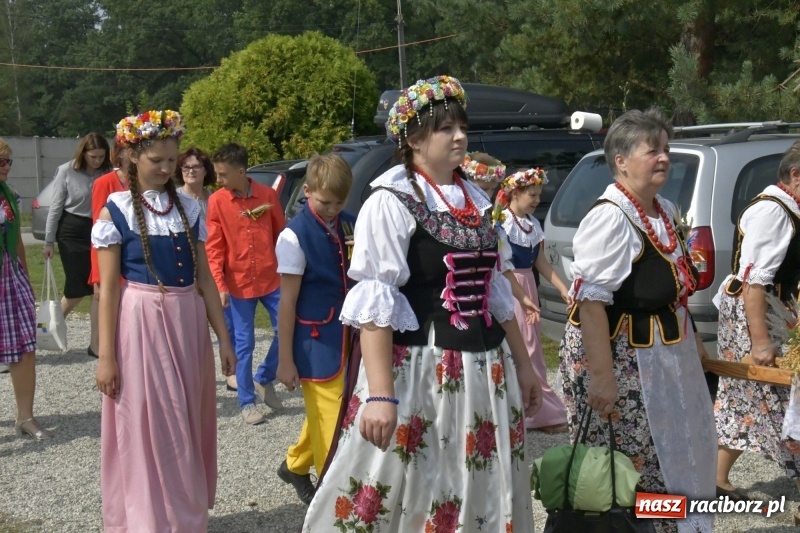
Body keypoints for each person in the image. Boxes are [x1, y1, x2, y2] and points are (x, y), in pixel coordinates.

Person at [303, 75, 541, 533]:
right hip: (424, 370)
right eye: (444, 129)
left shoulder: (474, 198)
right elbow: (376, 303)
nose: (459, 136)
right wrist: (378, 393)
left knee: (481, 485)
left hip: (486, 369)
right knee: (418, 483)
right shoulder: (391, 200)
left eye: (461, 127)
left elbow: (495, 292)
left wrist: (526, 367)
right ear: (413, 139)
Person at [559, 108, 715, 533]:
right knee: (632, 458)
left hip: (663, 356)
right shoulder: (611, 217)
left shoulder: (663, 208)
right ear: (622, 160)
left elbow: (677, 290)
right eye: (653, 151)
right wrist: (603, 378)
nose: (664, 158)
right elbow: (591, 303)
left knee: (675, 447)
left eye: (666, 149)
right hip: (622, 361)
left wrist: (695, 345)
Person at [93, 110, 236, 531]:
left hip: (186, 319)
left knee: (186, 415)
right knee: (149, 418)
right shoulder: (115, 210)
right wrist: (106, 356)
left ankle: (183, 513)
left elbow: (206, 281)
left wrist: (224, 339)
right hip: (141, 320)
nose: (167, 168)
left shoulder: (190, 208)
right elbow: (108, 291)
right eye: (157, 159)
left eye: (172, 160)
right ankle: (148, 517)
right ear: (132, 157)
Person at [715, 141, 800, 509]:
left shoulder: (788, 207)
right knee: (775, 395)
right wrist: (761, 341)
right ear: (796, 175)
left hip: (771, 309)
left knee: (745, 399)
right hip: (754, 315)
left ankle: (715, 479)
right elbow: (754, 283)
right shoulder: (774, 212)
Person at [274, 153, 356, 505]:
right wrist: (285, 360)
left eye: (339, 202)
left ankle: (294, 465)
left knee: (339, 411)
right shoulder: (294, 237)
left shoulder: (350, 224)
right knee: (331, 421)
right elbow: (287, 304)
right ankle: (330, 500)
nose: (332, 209)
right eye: (325, 201)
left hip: (351, 337)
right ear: (306, 191)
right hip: (315, 344)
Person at [206, 143, 286, 425]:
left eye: (223, 174)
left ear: (241, 172)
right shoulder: (217, 201)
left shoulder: (267, 195)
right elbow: (214, 247)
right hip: (238, 284)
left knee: (287, 329)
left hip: (272, 278)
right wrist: (219, 284)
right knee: (244, 343)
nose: (219, 180)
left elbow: (281, 234)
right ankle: (247, 401)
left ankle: (264, 377)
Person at [498, 168, 572, 432]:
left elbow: (540, 261)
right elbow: (502, 265)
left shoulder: (532, 224)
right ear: (515, 193)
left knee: (533, 347)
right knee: (524, 347)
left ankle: (533, 410)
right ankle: (538, 412)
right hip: (510, 286)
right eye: (532, 194)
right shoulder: (503, 222)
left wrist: (563, 288)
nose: (537, 199)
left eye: (539, 194)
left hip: (527, 284)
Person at [0, 139, 52, 440]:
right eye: (1, 162)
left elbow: (16, 238)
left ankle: (25, 417)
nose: (6, 167)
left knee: (25, 348)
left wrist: (25, 276)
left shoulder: (10, 194)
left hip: (9, 275)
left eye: (8, 162)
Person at [43, 133, 112, 358]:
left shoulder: (108, 172)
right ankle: (46, 330)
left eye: (101, 156)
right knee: (75, 290)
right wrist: (48, 240)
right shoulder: (66, 170)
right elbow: (55, 207)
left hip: (99, 229)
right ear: (84, 153)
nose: (97, 160)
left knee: (97, 289)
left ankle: (95, 344)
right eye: (93, 156)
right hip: (72, 231)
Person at [88, 143, 130, 358]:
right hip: (110, 254)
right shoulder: (104, 183)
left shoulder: (144, 181)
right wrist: (98, 276)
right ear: (119, 155)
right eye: (128, 151)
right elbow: (99, 231)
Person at [175, 146, 215, 219]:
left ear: (206, 171)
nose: (191, 171)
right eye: (186, 167)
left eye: (196, 166)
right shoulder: (174, 198)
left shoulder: (213, 198)